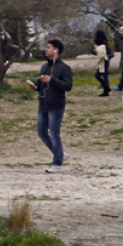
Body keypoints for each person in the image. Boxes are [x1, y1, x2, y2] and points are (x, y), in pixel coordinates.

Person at [31, 38, 73, 173]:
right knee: (42, 133)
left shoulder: (64, 68)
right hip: (43, 105)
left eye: (48, 47)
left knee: (54, 134)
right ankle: (60, 153)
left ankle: (57, 163)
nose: (45, 49)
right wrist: (36, 87)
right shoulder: (44, 67)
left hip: (56, 106)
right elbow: (42, 85)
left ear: (56, 50)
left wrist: (52, 80)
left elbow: (68, 86)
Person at [92, 29, 111, 97]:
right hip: (105, 61)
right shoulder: (104, 42)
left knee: (98, 75)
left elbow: (101, 51)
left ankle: (106, 88)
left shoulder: (102, 42)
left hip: (103, 61)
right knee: (105, 76)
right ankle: (106, 91)